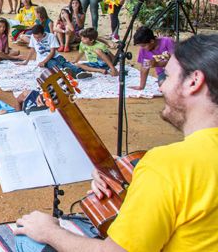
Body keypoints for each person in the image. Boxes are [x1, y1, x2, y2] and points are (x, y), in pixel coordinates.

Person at [15, 34, 218, 252]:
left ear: (193, 81)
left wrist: (50, 232)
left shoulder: (166, 166)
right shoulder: (173, 166)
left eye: (166, 76)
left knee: (29, 241)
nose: (160, 87)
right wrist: (129, 175)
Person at [19, 24, 92, 79]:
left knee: (64, 62)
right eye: (35, 38)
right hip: (44, 59)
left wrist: (43, 62)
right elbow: (32, 49)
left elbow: (52, 52)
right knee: (53, 64)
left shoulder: (51, 36)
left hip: (54, 56)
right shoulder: (32, 37)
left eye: (39, 37)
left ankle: (81, 72)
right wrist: (26, 61)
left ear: (43, 33)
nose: (37, 39)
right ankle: (65, 73)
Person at [130, 26, 175, 90]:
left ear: (152, 41)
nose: (142, 48)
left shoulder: (167, 41)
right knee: (163, 84)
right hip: (163, 73)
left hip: (177, 70)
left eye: (144, 45)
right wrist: (141, 86)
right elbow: (144, 68)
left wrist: (157, 64)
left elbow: (176, 61)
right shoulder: (143, 50)